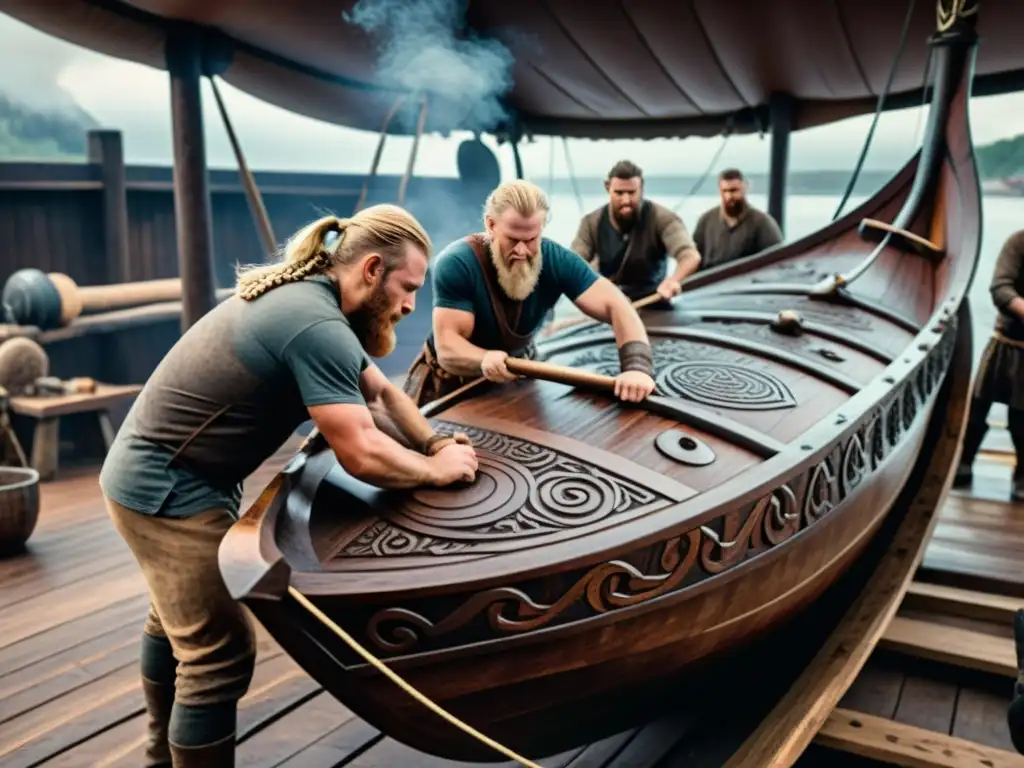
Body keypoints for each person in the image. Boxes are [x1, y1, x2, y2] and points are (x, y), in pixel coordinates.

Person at [98, 204, 479, 767]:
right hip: (166, 492)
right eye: (407, 288)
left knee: (173, 619)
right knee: (217, 655)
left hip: (185, 476)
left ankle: (159, 756)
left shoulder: (316, 299)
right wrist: (435, 473)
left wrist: (434, 443)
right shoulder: (315, 323)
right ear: (372, 269)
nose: (409, 306)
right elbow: (361, 452)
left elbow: (380, 394)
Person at [402, 179, 657, 407]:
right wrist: (484, 359)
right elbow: (448, 349)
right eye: (513, 239)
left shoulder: (557, 259)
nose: (522, 251)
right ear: (491, 225)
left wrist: (637, 368)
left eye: (531, 239)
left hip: (518, 375)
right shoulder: (457, 262)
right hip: (451, 384)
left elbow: (618, 305)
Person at [954, 229, 1024, 500]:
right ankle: (963, 462)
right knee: (976, 410)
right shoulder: (1019, 242)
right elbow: (1000, 287)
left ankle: (1022, 475)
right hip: (1005, 343)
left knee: (1022, 421)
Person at [570, 160, 702, 303]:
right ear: (607, 187)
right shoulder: (591, 223)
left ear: (642, 188)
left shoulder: (663, 218)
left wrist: (673, 280)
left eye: (632, 193)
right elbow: (573, 262)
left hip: (653, 301)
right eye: (619, 193)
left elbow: (690, 256)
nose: (626, 200)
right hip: (609, 302)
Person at [692, 168, 784, 270]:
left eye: (734, 190)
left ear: (745, 188)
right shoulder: (706, 221)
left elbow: (777, 262)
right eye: (724, 191)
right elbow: (693, 259)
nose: (729, 196)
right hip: (711, 282)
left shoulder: (762, 223)